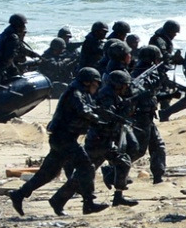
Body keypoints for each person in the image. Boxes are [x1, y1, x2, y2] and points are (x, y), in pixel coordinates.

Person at [9, 67, 109, 216]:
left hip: (61, 139)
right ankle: (88, 203)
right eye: (95, 83)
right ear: (87, 82)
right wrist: (98, 119)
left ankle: (19, 194)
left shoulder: (81, 93)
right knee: (86, 167)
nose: (97, 86)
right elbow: (83, 111)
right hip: (64, 139)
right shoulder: (74, 93)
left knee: (47, 174)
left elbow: (89, 109)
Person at [53, 69, 137, 211]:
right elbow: (106, 118)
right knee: (89, 172)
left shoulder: (114, 95)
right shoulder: (106, 97)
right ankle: (64, 201)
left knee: (85, 173)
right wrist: (124, 110)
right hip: (98, 141)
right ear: (117, 85)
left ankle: (59, 200)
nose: (126, 88)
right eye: (124, 85)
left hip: (104, 140)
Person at [129, 45, 170, 184]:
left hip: (148, 115)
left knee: (158, 146)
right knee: (139, 150)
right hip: (140, 116)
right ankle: (113, 170)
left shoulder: (146, 71)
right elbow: (151, 88)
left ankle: (158, 176)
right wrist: (161, 74)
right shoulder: (141, 74)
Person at [0, 13, 31, 83]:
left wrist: (33, 54)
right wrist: (16, 72)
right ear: (19, 26)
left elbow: (21, 48)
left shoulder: (5, 33)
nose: (24, 27)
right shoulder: (13, 38)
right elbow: (8, 59)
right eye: (23, 25)